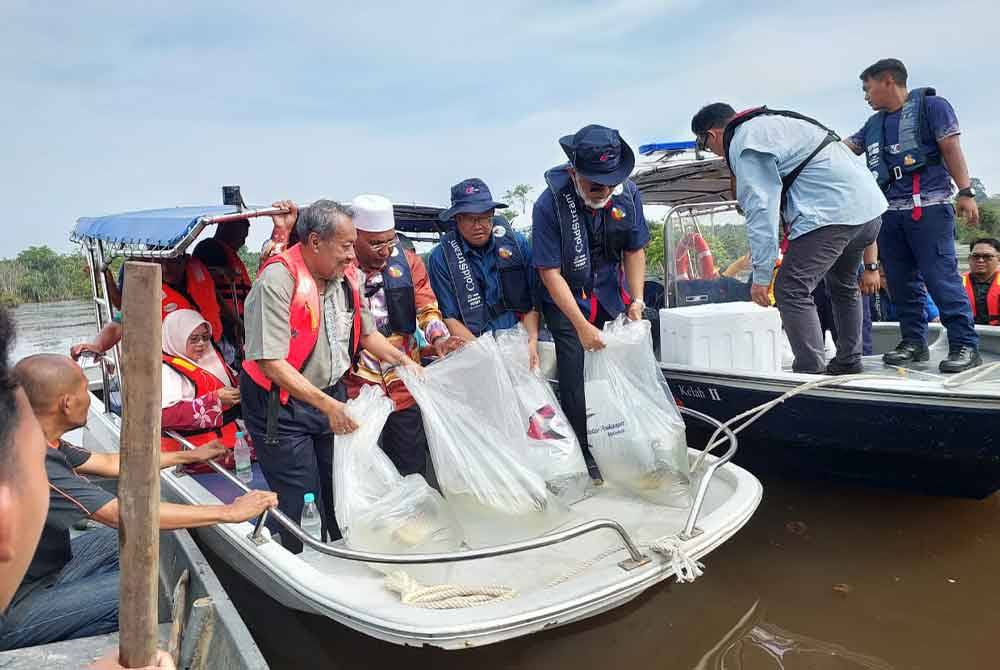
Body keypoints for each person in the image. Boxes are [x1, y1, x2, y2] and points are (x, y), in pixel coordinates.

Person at [1, 353, 276, 651]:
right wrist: (229, 512)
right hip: (14, 607)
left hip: (45, 569)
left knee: (131, 541)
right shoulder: (34, 459)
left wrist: (187, 455)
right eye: (83, 390)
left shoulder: (29, 436)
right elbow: (124, 514)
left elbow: (108, 463)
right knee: (152, 588)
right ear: (66, 403)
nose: (89, 399)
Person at [240, 199, 421, 552]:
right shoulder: (277, 279)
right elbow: (270, 362)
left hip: (330, 396)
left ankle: (344, 558)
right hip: (281, 406)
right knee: (300, 496)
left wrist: (405, 363)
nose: (353, 255)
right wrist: (330, 406)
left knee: (340, 485)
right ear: (314, 242)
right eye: (346, 246)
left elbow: (367, 335)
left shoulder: (345, 278)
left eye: (354, 245)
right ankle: (300, 566)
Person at [692, 103, 887, 375]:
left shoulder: (744, 140)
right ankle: (849, 360)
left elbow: (761, 209)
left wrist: (761, 276)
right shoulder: (775, 123)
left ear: (711, 135)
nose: (712, 152)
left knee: (790, 288)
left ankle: (810, 370)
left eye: (704, 145)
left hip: (831, 214)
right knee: (842, 285)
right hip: (868, 210)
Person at [844, 58, 981, 372]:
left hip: (928, 207)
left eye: (868, 88)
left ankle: (964, 345)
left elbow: (950, 147)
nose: (866, 96)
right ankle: (913, 342)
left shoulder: (932, 107)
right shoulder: (873, 125)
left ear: (888, 80)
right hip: (890, 213)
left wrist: (966, 191)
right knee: (902, 283)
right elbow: (845, 149)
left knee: (941, 279)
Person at [532, 125, 648, 481]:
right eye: (596, 185)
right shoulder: (549, 204)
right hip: (567, 300)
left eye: (611, 183)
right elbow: (550, 273)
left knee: (629, 368)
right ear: (574, 173)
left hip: (612, 296)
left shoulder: (627, 195)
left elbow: (635, 249)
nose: (605, 192)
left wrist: (638, 299)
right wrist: (581, 327)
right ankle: (586, 455)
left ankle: (630, 440)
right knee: (575, 372)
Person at [345, 195, 460, 478]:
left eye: (390, 241)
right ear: (354, 237)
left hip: (403, 381)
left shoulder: (408, 263)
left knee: (411, 462)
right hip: (355, 385)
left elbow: (426, 307)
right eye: (375, 243)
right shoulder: (339, 266)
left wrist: (439, 339)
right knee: (364, 468)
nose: (385, 250)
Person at [428, 178, 541, 362]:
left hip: (519, 340)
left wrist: (532, 341)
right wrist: (486, 357)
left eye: (484, 217)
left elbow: (532, 302)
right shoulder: (440, 258)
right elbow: (450, 317)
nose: (478, 225)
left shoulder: (517, 244)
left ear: (492, 214)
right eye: (470, 219)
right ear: (457, 219)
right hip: (473, 349)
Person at [70, 254, 224, 361]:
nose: (166, 268)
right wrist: (97, 345)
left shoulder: (197, 276)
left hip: (208, 352)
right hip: (172, 362)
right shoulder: (147, 293)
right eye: (161, 263)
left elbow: (216, 304)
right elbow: (120, 323)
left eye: (172, 261)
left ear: (184, 260)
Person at [160, 310, 250, 471]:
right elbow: (164, 417)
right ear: (176, 338)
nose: (201, 343)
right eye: (194, 339)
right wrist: (214, 401)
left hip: (234, 444)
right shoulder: (166, 371)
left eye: (205, 337)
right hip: (195, 457)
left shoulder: (210, 359)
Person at [193, 219, 253, 367]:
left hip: (236, 324)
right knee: (230, 364)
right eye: (242, 236)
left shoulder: (229, 252)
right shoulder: (209, 248)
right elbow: (209, 288)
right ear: (225, 227)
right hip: (224, 325)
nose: (243, 242)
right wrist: (235, 320)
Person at [962, 238, 1000, 326]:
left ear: (998, 259)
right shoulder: (955, 284)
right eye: (975, 256)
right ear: (969, 259)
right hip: (966, 332)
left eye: (987, 256)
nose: (980, 260)